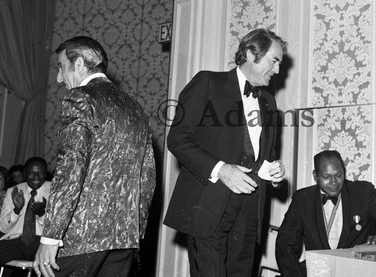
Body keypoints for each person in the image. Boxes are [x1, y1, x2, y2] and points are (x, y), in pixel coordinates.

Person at [164, 28, 288, 277]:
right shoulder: (208, 83)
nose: (277, 70)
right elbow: (177, 139)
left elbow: (262, 156)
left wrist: (273, 170)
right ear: (252, 53)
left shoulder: (269, 102)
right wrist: (221, 169)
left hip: (249, 213)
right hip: (208, 207)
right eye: (274, 61)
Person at [32, 36, 156, 277]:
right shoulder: (134, 106)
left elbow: (70, 171)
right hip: (123, 239)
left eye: (61, 67)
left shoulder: (79, 97)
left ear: (78, 63)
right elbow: (147, 176)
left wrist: (50, 238)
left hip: (81, 237)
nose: (59, 78)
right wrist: (134, 231)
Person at [276, 150, 376, 276]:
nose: (334, 182)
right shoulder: (302, 199)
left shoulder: (363, 193)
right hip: (317, 272)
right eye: (327, 177)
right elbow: (285, 245)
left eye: (338, 175)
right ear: (315, 176)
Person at [0, 157, 51, 263]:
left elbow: (56, 228)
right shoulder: (14, 190)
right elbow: (3, 228)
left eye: (40, 172)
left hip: (42, 242)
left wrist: (41, 214)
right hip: (16, 240)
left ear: (46, 173)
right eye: (31, 173)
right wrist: (16, 210)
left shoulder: (55, 191)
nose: (36, 177)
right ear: (25, 173)